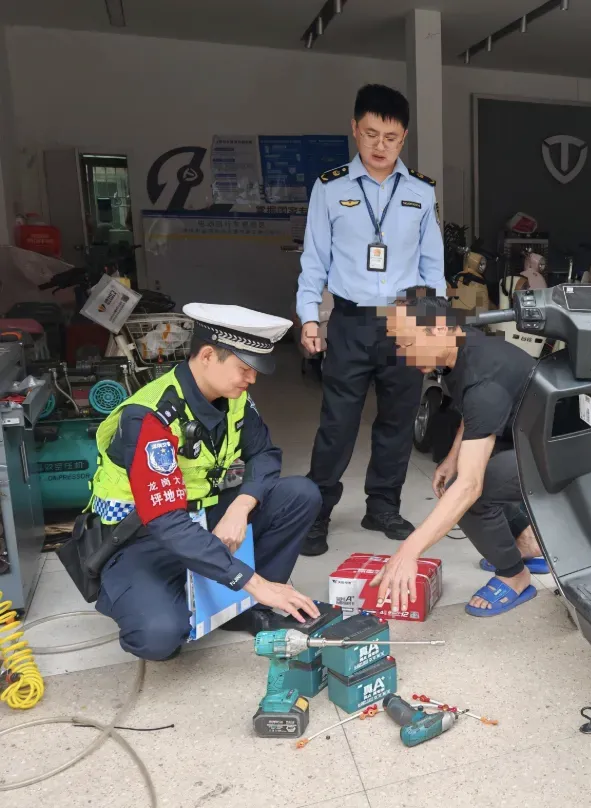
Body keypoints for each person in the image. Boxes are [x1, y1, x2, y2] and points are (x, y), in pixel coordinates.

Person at [87, 303, 322, 661]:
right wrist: (255, 582)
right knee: (158, 637)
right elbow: (166, 521)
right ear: (209, 355)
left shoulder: (234, 400)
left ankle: (242, 606)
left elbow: (265, 454)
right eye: (244, 368)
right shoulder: (150, 417)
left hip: (204, 518)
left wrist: (241, 507)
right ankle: (205, 592)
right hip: (142, 538)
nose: (252, 380)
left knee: (299, 495)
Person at [297, 83, 445, 556]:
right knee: (337, 423)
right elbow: (314, 260)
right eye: (371, 134)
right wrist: (309, 318)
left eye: (392, 137)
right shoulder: (330, 188)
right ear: (354, 130)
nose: (381, 146)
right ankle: (317, 511)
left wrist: (434, 327)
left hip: (407, 321)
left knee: (397, 421)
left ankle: (382, 506)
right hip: (351, 321)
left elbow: (432, 267)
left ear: (404, 138)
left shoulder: (421, 191)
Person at [373, 292, 547, 618]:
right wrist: (453, 457)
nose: (403, 355)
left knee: (469, 495)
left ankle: (514, 576)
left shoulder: (483, 377)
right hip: (526, 430)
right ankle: (528, 543)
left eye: (407, 343)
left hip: (559, 449)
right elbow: (474, 411)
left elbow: (469, 486)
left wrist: (409, 551)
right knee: (467, 471)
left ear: (439, 328)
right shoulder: (463, 345)